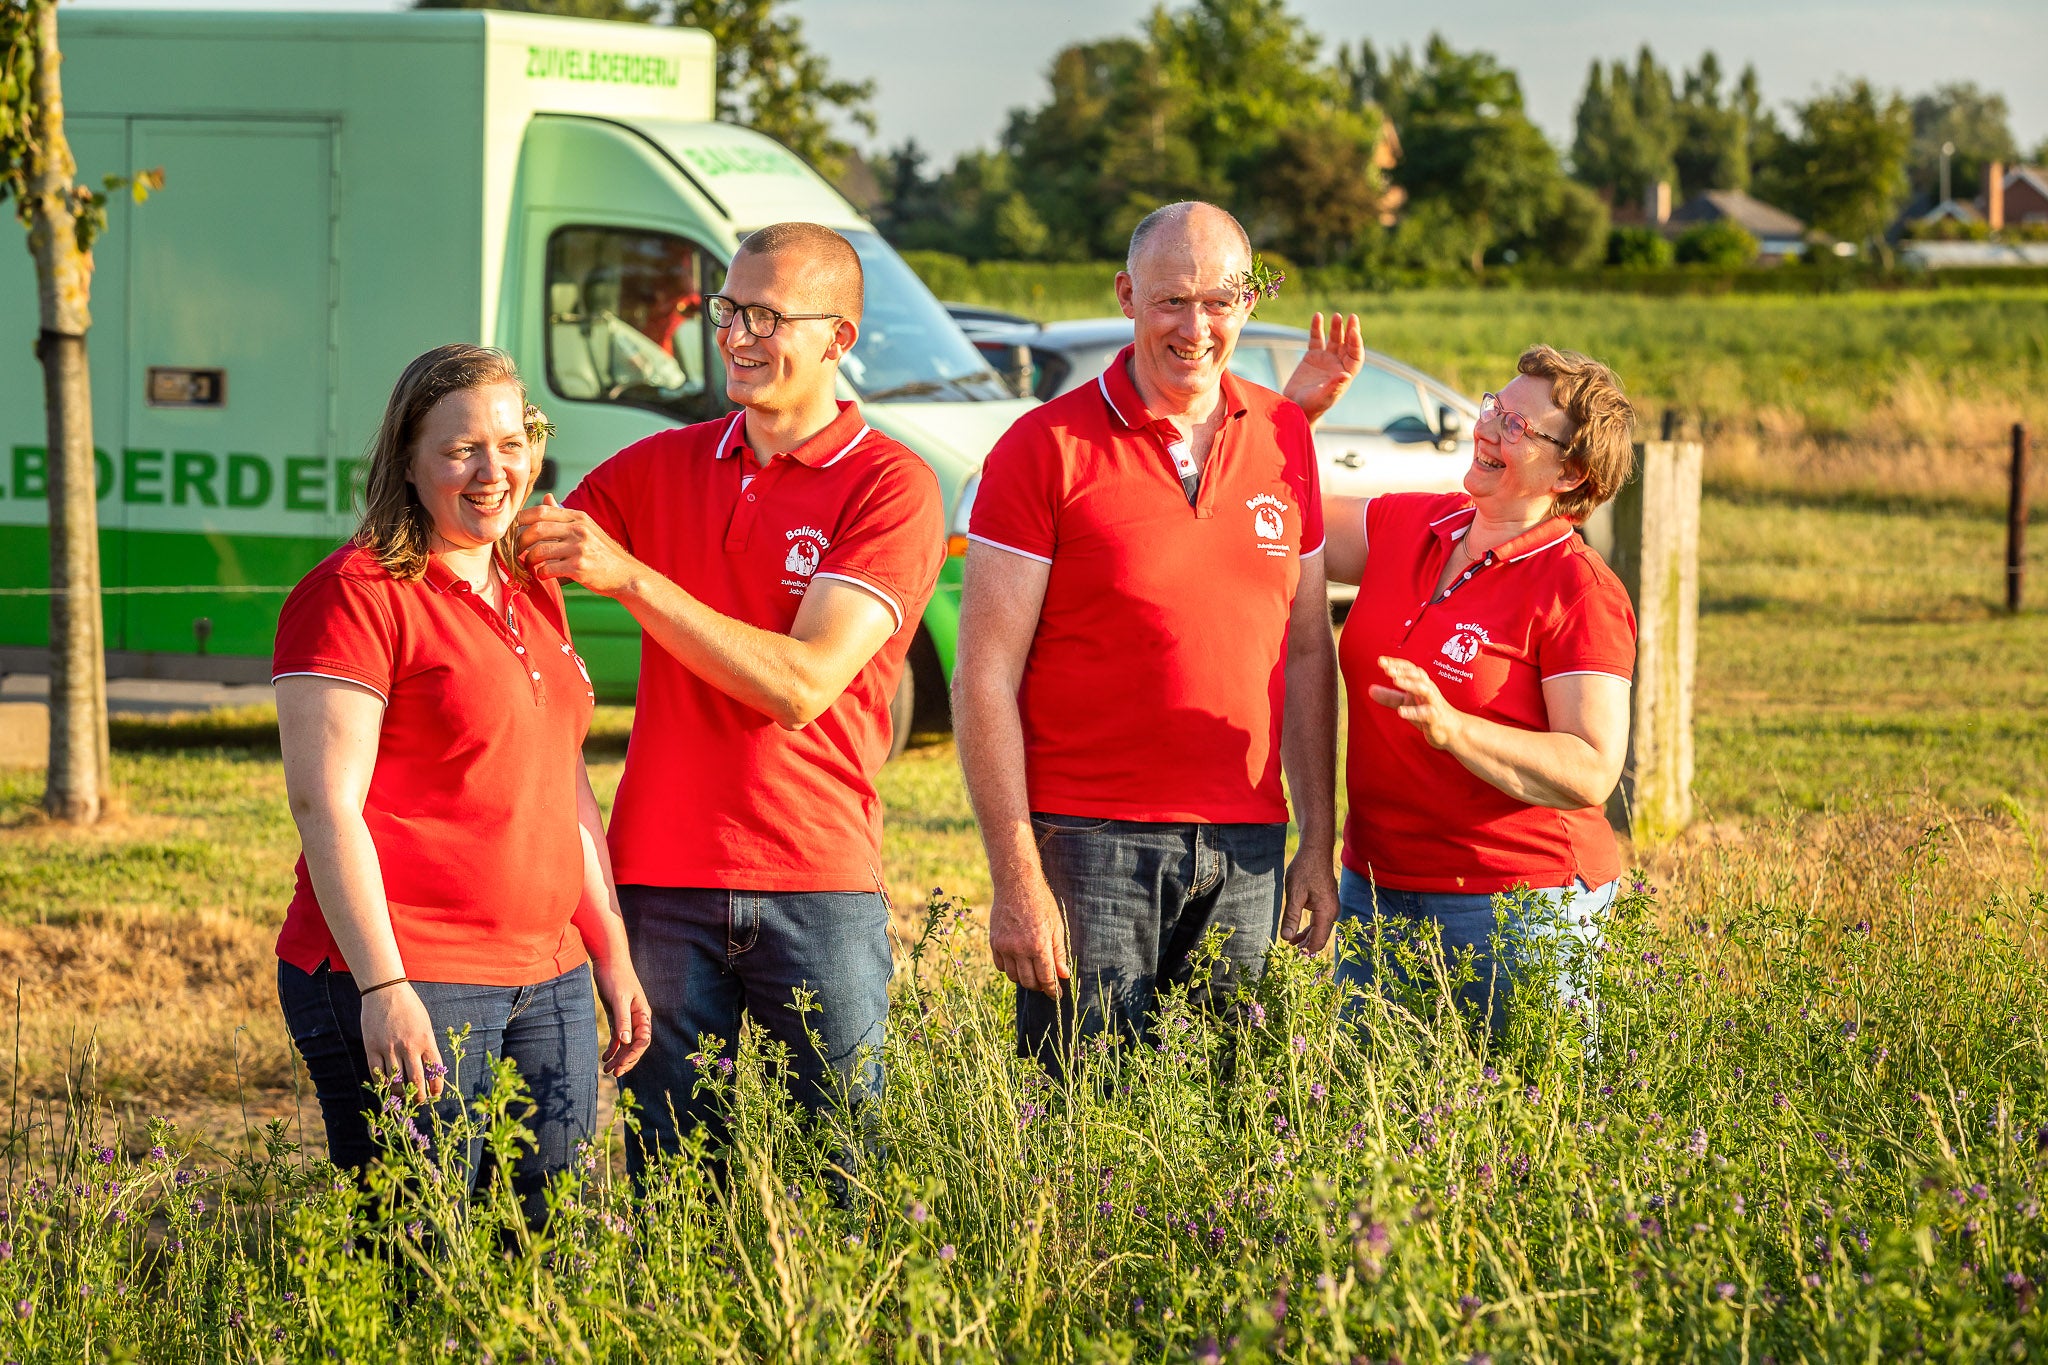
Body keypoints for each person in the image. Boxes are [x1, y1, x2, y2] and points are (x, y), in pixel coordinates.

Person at [514, 222, 944, 1176]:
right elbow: (513, 557)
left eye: (768, 316)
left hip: (818, 878)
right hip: (662, 880)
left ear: (838, 338)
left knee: (838, 1175)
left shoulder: (890, 485)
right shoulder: (655, 467)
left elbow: (803, 684)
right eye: (729, 310)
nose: (740, 335)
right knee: (672, 1176)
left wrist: (633, 578)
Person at [954, 201, 1342, 1070]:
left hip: (1247, 846)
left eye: (1218, 301)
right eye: (1170, 300)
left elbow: (1308, 647)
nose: (1195, 326)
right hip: (1090, 846)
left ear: (1247, 304)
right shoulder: (1039, 448)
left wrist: (1318, 836)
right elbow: (983, 676)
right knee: (1084, 1127)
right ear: (1127, 295)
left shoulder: (1285, 436)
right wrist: (1017, 875)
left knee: (1221, 1125)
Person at [272, 345, 651, 1225]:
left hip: (547, 974)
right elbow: (323, 805)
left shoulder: (531, 586)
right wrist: (383, 987)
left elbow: (563, 781)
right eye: (461, 451)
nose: (494, 471)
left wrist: (610, 949)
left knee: (538, 1246)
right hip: (414, 975)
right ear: (407, 459)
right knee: (419, 1258)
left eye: (512, 443)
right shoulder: (355, 593)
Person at [1320, 344, 1638, 1032]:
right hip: (1376, 888)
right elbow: (1282, 523)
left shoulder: (1578, 590)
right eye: (1494, 406)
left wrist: (1452, 728)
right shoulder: (1413, 525)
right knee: (1371, 1124)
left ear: (1572, 470)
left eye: (1520, 427)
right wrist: (1290, 412)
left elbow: (1590, 767)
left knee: (1522, 1128)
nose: (1488, 428)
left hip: (1518, 906)